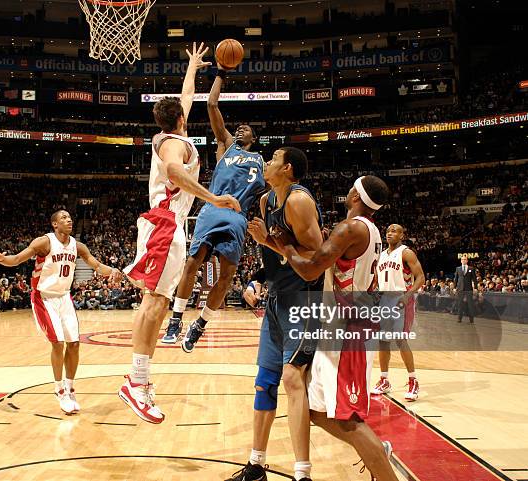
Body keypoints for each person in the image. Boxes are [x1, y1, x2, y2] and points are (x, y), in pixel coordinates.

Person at [120, 42, 241, 424]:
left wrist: (192, 68)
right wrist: (213, 198)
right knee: (154, 304)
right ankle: (137, 384)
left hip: (165, 225)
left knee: (152, 302)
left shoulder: (174, 132)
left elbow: (186, 97)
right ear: (181, 121)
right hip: (165, 224)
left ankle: (137, 379)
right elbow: (174, 171)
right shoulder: (174, 143)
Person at [271, 176, 399, 481]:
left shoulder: (351, 228)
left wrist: (284, 245)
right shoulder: (368, 229)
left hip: (349, 329)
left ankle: (380, 462)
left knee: (349, 420)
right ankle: (375, 449)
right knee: (315, 411)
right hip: (342, 326)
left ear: (356, 194)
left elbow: (309, 269)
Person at [227, 147, 323, 481]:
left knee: (293, 379)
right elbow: (275, 256)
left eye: (273, 159)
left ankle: (303, 474)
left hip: (303, 299)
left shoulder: (298, 201)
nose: (266, 163)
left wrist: (267, 242)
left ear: (288, 169)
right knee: (264, 382)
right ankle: (256, 465)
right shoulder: (268, 201)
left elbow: (315, 258)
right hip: (278, 297)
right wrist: (256, 280)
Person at [163, 62, 265, 351]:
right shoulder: (226, 144)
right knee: (193, 263)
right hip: (212, 208)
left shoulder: (263, 162)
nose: (241, 128)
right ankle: (177, 318)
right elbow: (211, 104)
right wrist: (221, 73)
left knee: (227, 276)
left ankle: (200, 324)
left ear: (254, 140)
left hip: (238, 217)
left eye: (247, 128)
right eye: (239, 127)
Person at [0, 209, 121, 415]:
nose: (69, 220)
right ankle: (59, 389)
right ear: (54, 224)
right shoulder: (44, 242)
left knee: (75, 344)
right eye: (63, 218)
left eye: (69, 218)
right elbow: (16, 259)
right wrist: (0, 259)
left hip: (64, 297)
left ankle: (70, 388)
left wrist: (111, 271)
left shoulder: (78, 246)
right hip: (44, 298)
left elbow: (95, 265)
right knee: (57, 343)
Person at [371, 224, 425, 401]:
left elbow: (421, 277)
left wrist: (408, 295)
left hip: (402, 297)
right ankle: (384, 379)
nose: (390, 233)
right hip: (384, 299)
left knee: (401, 340)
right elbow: (377, 279)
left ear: (402, 235)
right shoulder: (381, 255)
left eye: (394, 231)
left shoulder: (406, 252)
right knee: (383, 341)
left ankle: (413, 380)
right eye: (387, 231)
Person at [453, 254, 477, 323]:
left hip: (469, 289)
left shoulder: (471, 268)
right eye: (462, 259)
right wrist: (454, 287)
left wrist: (475, 287)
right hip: (460, 289)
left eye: (465, 259)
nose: (463, 260)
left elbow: (474, 279)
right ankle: (459, 318)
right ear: (461, 261)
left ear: (467, 261)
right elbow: (456, 279)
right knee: (460, 304)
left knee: (470, 305)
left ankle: (471, 319)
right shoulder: (458, 268)